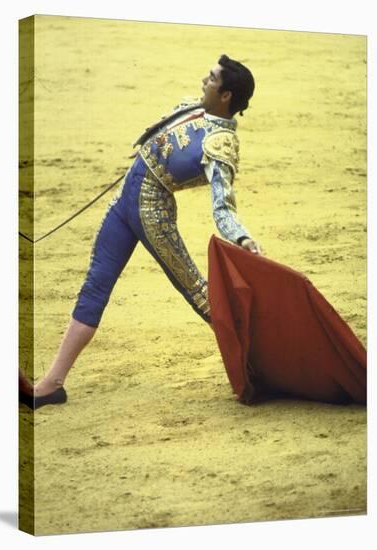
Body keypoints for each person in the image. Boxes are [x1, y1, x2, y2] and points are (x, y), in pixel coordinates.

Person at [22, 54, 261, 409]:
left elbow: (222, 204)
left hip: (153, 214)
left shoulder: (220, 144)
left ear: (226, 95)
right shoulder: (194, 108)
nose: (203, 80)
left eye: (211, 78)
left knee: (200, 293)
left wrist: (241, 236)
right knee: (95, 284)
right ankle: (52, 383)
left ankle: (262, 363)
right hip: (125, 203)